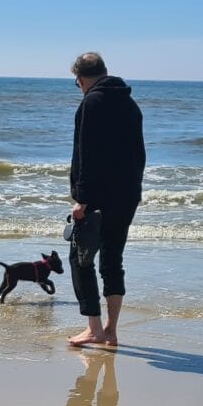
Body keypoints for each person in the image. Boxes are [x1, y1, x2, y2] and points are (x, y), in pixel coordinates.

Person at [63, 51, 144, 349]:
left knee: (80, 259)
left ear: (80, 78)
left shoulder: (91, 103)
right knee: (112, 261)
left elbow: (87, 155)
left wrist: (82, 200)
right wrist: (134, 190)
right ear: (105, 71)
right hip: (126, 196)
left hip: (97, 199)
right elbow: (139, 156)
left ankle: (94, 328)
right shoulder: (130, 104)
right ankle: (111, 331)